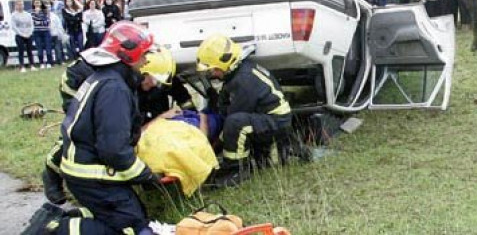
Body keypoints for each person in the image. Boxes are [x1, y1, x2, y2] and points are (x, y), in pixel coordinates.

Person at [45, 46, 194, 205]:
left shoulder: (157, 73)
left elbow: (182, 97)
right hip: (77, 83)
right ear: (140, 71)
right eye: (151, 80)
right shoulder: (118, 87)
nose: (154, 84)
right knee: (81, 132)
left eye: (158, 82)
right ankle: (51, 174)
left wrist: (192, 117)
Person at [49, 21, 159, 234]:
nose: (146, 61)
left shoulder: (103, 78)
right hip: (91, 176)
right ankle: (55, 229)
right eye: (144, 55)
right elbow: (113, 149)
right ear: (128, 56)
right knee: (132, 228)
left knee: (134, 214)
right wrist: (145, 175)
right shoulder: (114, 89)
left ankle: (70, 218)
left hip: (84, 170)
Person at [197, 34, 293, 187]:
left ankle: (236, 171)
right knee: (235, 122)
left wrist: (211, 150)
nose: (212, 74)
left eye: (213, 70)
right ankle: (251, 158)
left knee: (235, 123)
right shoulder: (238, 73)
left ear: (224, 63)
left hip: (276, 122)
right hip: (268, 117)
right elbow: (224, 107)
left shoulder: (244, 80)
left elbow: (232, 121)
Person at [11, 0, 36, 72]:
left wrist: (29, 33)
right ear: (16, 6)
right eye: (18, 5)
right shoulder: (14, 15)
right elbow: (14, 27)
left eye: (21, 5)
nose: (20, 6)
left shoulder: (28, 14)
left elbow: (31, 25)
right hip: (19, 35)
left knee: (30, 51)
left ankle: (32, 65)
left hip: (29, 35)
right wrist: (22, 34)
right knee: (21, 51)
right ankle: (22, 66)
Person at [31, 0, 54, 68]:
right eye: (36, 2)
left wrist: (39, 21)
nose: (37, 4)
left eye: (38, 2)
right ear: (33, 3)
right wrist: (39, 21)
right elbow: (33, 22)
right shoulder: (31, 12)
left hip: (46, 31)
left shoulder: (45, 11)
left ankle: (49, 62)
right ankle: (41, 63)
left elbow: (47, 21)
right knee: (39, 48)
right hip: (37, 32)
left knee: (48, 47)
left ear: (41, 3)